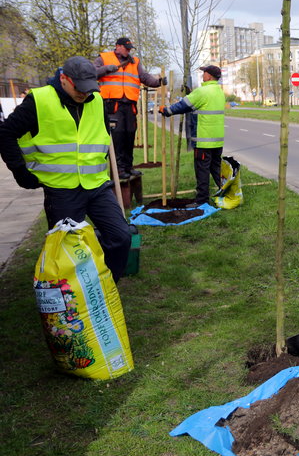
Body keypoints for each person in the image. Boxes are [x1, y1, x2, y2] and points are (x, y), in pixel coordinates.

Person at [0, 56, 131, 281]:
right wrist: (21, 173)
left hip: (97, 185)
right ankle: (72, 300)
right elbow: (5, 134)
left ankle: (107, 287)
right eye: (79, 88)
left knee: (121, 236)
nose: (84, 94)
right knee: (67, 251)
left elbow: (99, 137)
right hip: (61, 190)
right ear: (64, 79)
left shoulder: (97, 100)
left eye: (89, 89)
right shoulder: (39, 101)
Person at [94, 37, 166, 180]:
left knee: (129, 134)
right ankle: (119, 169)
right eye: (126, 48)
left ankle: (128, 166)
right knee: (118, 135)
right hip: (113, 104)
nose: (128, 51)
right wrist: (106, 69)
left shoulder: (135, 62)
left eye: (129, 49)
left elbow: (144, 77)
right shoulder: (104, 58)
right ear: (117, 46)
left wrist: (158, 82)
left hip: (130, 104)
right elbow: (92, 73)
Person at [159, 65, 225, 207]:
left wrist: (166, 110)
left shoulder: (202, 91)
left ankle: (201, 201)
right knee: (216, 168)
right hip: (217, 140)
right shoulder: (219, 91)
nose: (203, 75)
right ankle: (227, 192)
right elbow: (199, 104)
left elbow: (183, 105)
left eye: (204, 73)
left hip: (203, 141)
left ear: (210, 76)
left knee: (202, 170)